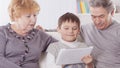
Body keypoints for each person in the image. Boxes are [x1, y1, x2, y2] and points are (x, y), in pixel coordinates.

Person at [0, 0, 57, 68]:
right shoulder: (3, 32)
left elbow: (62, 50)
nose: (33, 20)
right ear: (16, 17)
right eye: (28, 16)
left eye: (35, 15)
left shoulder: (40, 35)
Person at [80, 0, 120, 68]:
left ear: (112, 12)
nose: (97, 22)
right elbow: (61, 31)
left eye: (101, 16)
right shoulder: (85, 29)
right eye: (93, 17)